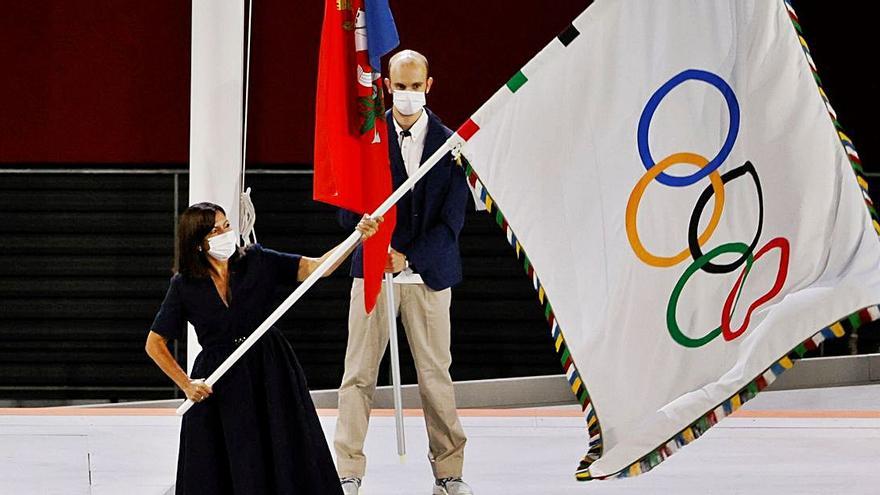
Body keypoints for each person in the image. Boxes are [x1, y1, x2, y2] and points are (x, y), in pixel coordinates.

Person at [145, 201, 381, 495]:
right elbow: (155, 343)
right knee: (230, 456)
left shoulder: (257, 260)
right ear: (197, 243)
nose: (225, 234)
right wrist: (185, 383)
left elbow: (317, 267)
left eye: (226, 225)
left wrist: (356, 238)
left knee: (282, 447)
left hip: (269, 368)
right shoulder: (184, 285)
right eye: (215, 230)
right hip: (221, 379)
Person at [334, 50, 473, 495]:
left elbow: (453, 221)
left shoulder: (452, 147)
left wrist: (407, 258)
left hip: (428, 276)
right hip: (373, 271)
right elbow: (346, 212)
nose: (409, 94)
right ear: (387, 86)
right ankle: (347, 471)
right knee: (357, 374)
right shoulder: (366, 139)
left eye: (417, 86)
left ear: (429, 86)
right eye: (401, 86)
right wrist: (376, 243)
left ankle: (449, 474)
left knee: (436, 377)